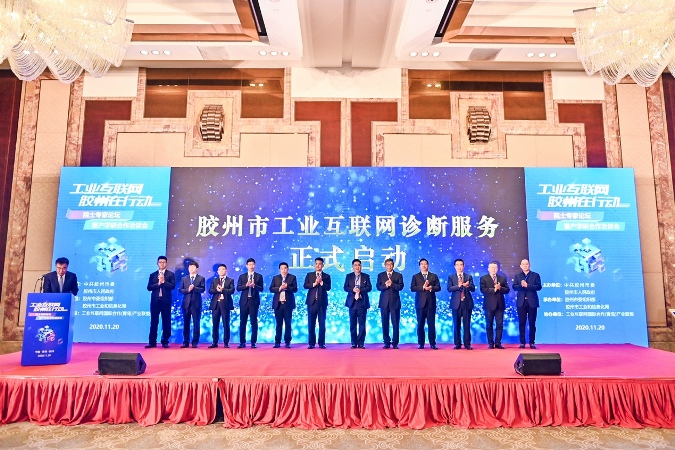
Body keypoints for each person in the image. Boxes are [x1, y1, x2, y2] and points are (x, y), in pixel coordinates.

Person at [410, 258, 441, 349]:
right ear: (419, 266)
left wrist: (431, 288)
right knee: (420, 324)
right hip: (420, 304)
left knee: (431, 324)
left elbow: (438, 287)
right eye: (422, 264)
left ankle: (432, 343)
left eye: (425, 264)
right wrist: (422, 288)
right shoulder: (415, 276)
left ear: (428, 265)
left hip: (431, 303)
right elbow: (412, 288)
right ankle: (421, 343)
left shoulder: (433, 276)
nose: (424, 265)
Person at [146, 256, 176, 348]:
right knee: (154, 322)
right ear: (157, 263)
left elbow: (172, 286)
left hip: (166, 301)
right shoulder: (153, 275)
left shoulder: (170, 274)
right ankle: (152, 342)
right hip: (155, 302)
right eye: (160, 262)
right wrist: (158, 284)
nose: (162, 264)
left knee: (166, 322)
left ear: (166, 263)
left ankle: (165, 341)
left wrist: (164, 282)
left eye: (164, 262)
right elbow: (149, 287)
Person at [512, 259, 542, 349]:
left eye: (526, 264)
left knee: (532, 323)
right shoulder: (518, 276)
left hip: (532, 302)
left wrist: (527, 286)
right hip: (521, 302)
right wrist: (521, 286)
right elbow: (514, 287)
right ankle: (522, 342)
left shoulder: (535, 275)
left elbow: (539, 287)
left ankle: (532, 342)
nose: (525, 266)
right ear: (520, 266)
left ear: (529, 265)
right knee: (522, 323)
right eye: (523, 264)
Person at [480, 261, 510, 349]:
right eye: (491, 267)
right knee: (489, 325)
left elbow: (507, 290)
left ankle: (498, 343)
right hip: (489, 305)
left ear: (497, 269)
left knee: (499, 325)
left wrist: (500, 288)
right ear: (488, 269)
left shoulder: (502, 278)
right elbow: (483, 290)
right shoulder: (483, 278)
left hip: (500, 305)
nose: (493, 269)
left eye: (495, 267)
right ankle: (490, 343)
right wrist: (494, 289)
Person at [447, 258, 475, 350]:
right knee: (456, 324)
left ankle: (467, 344)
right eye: (457, 265)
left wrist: (468, 285)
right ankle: (457, 343)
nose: (459, 267)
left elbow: (473, 289)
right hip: (456, 303)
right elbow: (449, 289)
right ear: (454, 266)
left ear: (464, 266)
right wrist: (458, 286)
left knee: (467, 325)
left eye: (461, 265)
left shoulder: (468, 276)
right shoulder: (451, 277)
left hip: (467, 303)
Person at [344, 259, 372, 349]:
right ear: (352, 267)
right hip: (352, 302)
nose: (357, 267)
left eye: (359, 265)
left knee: (362, 324)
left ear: (361, 266)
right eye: (355, 265)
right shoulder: (349, 276)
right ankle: (353, 342)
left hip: (362, 302)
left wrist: (360, 290)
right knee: (353, 324)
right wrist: (353, 289)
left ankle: (361, 343)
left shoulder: (366, 276)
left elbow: (369, 287)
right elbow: (345, 287)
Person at [304, 257, 332, 349]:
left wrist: (321, 282)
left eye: (320, 264)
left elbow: (328, 288)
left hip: (322, 303)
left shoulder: (327, 276)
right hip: (311, 302)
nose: (318, 265)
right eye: (316, 263)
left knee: (322, 324)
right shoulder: (309, 275)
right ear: (314, 265)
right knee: (311, 323)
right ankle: (311, 343)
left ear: (323, 265)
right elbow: (305, 285)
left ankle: (321, 343)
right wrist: (314, 283)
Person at [376, 258, 404, 349]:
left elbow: (400, 287)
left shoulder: (398, 275)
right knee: (385, 323)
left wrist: (392, 284)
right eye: (387, 264)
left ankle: (395, 343)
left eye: (391, 264)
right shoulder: (381, 275)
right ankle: (386, 342)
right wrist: (386, 285)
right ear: (385, 265)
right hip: (384, 302)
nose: (389, 266)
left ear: (393, 265)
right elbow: (378, 287)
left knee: (395, 323)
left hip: (395, 302)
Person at [236, 258, 263, 348]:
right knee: (242, 322)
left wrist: (254, 285)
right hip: (244, 302)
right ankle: (242, 342)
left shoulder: (259, 276)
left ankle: (253, 342)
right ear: (247, 266)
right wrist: (246, 285)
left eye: (253, 264)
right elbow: (238, 288)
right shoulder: (242, 276)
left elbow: (261, 289)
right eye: (250, 264)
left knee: (254, 322)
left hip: (254, 302)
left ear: (255, 265)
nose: (251, 266)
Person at [269, 262, 298, 348]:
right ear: (279, 269)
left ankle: (287, 342)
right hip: (278, 304)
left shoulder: (292, 277)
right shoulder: (276, 278)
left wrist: (287, 287)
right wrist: (280, 288)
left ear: (288, 269)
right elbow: (271, 289)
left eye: (285, 268)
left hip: (288, 304)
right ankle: (277, 342)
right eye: (282, 268)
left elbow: (295, 289)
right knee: (279, 324)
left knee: (288, 324)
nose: (284, 270)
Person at [179, 260, 205, 348]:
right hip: (186, 304)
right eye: (190, 267)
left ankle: (195, 342)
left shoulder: (201, 278)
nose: (191, 268)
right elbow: (181, 290)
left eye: (193, 267)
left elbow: (202, 289)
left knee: (196, 323)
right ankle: (185, 342)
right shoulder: (184, 278)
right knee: (186, 323)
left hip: (196, 304)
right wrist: (188, 290)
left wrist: (194, 288)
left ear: (197, 268)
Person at [208, 264, 235, 348]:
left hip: (225, 304)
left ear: (226, 270)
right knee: (215, 324)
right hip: (216, 304)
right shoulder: (214, 280)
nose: (221, 271)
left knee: (226, 324)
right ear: (217, 271)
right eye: (219, 269)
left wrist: (223, 289)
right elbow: (210, 291)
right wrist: (216, 290)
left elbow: (232, 290)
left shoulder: (230, 280)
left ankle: (226, 343)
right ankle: (214, 342)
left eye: (223, 269)